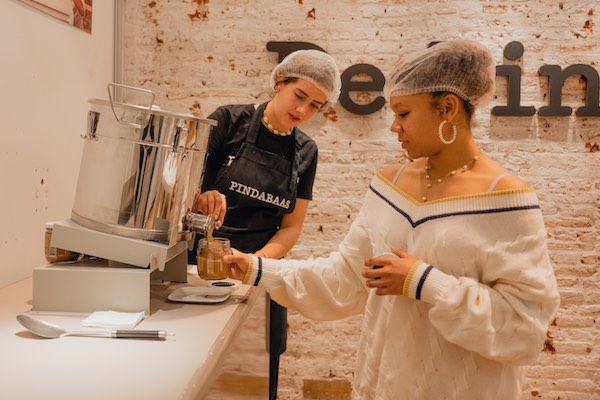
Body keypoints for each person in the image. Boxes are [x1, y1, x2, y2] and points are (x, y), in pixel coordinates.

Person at [223, 39, 560, 399]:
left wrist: (425, 282)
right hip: (380, 387)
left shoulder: (507, 199)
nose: (394, 128)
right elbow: (344, 278)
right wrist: (256, 268)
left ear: (447, 108)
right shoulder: (390, 186)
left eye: (403, 114)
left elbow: (525, 328)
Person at [189, 49, 341, 400]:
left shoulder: (307, 151)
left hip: (259, 273)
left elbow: (290, 228)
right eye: (299, 96)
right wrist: (202, 195)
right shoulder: (229, 121)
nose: (302, 111)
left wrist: (253, 266)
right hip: (198, 268)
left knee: (257, 377)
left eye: (315, 106)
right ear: (279, 82)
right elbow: (178, 186)